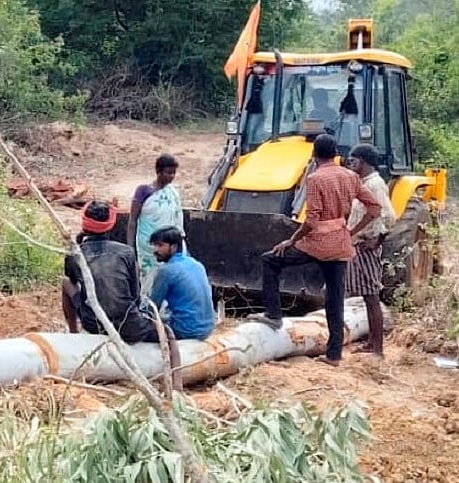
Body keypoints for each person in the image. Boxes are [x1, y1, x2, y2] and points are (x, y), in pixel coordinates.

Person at [248, 134, 381, 366]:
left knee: (271, 261)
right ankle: (333, 354)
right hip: (340, 243)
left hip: (317, 243)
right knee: (335, 298)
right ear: (336, 153)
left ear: (314, 153)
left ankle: (273, 314)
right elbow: (375, 207)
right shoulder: (351, 176)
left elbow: (311, 221)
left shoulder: (315, 179)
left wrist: (290, 240)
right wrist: (350, 230)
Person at [61, 200, 183, 388]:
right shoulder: (126, 253)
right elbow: (134, 296)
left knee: (65, 283)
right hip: (129, 326)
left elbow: (75, 284)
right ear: (111, 224)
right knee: (167, 332)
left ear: (84, 224)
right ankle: (177, 385)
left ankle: (74, 333)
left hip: (94, 323)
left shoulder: (74, 255)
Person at [345, 143, 397, 357]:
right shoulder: (363, 183)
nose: (351, 164)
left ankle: (378, 348)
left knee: (371, 296)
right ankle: (371, 343)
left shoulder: (375, 185)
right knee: (366, 296)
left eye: (353, 160)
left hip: (366, 246)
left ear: (364, 162)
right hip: (358, 245)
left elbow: (388, 216)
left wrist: (377, 242)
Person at [147, 227, 216, 340]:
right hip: (208, 328)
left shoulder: (166, 270)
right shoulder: (196, 264)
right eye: (155, 245)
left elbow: (153, 307)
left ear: (173, 247)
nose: (155, 250)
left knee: (138, 331)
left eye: (160, 246)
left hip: (185, 330)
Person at [128, 154, 184, 281]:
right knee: (148, 280)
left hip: (168, 246)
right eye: (169, 173)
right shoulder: (143, 191)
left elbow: (177, 220)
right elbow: (132, 221)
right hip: (147, 246)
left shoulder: (172, 193)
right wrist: (130, 249)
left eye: (174, 173)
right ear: (159, 172)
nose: (172, 176)